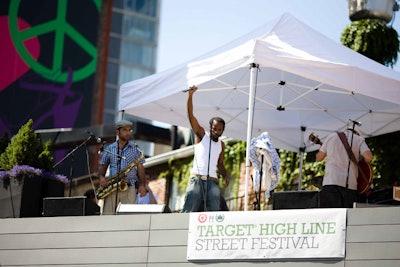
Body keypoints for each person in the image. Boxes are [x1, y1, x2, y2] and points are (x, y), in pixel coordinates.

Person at [181, 85, 229, 212]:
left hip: (212, 182)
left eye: (219, 130)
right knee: (189, 210)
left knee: (214, 211)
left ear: (222, 130)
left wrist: (225, 176)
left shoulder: (221, 145)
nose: (217, 131)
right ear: (210, 127)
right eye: (214, 129)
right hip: (197, 179)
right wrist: (190, 96)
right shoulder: (202, 136)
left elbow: (220, 163)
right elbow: (190, 116)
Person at [316, 127, 373, 208]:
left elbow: (319, 158)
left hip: (331, 182)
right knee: (347, 217)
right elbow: (369, 157)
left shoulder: (331, 136)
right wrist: (360, 159)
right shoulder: (358, 139)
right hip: (349, 185)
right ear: (357, 133)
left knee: (333, 215)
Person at [98, 119, 146, 214]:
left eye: (129, 130)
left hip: (129, 187)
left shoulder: (135, 149)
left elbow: (140, 168)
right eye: (124, 130)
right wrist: (101, 177)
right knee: (108, 215)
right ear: (117, 131)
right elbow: (103, 166)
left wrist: (142, 185)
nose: (128, 133)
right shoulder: (110, 148)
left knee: (129, 216)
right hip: (112, 187)